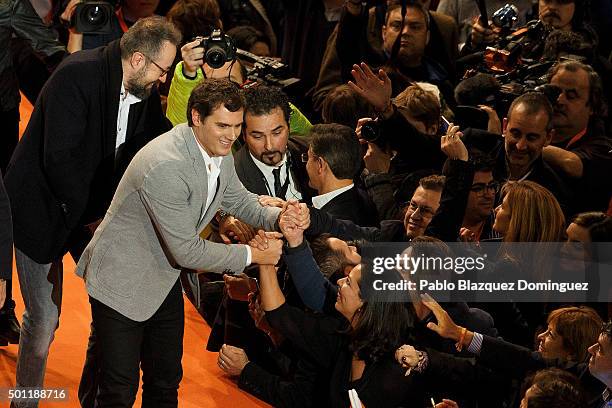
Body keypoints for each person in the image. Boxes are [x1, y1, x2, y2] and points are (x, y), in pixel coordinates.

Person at [75, 78, 285, 406]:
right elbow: (187, 250)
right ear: (197, 118)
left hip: (162, 279)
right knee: (119, 388)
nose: (232, 135)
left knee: (166, 378)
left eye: (237, 126)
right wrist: (253, 254)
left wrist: (277, 217)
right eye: (223, 125)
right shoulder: (166, 166)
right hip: (120, 281)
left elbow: (237, 199)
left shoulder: (218, 150)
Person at [4, 17, 180, 406]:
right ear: (137, 59)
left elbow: (163, 139)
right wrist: (99, 219)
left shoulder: (142, 88)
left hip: (91, 212)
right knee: (44, 319)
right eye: (163, 70)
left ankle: (94, 398)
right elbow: (59, 160)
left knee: (112, 305)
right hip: (42, 209)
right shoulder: (77, 75)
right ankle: (24, 402)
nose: (162, 81)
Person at [542, 61, 612, 213]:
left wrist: (520, 142)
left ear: (592, 106)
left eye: (571, 96)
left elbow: (570, 163)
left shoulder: (603, 147)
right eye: (554, 92)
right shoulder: (532, 132)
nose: (560, 100)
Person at [234, 85, 315, 202]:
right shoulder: (231, 177)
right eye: (258, 136)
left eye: (277, 133)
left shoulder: (312, 152)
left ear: (289, 127)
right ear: (243, 135)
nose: (269, 146)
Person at [304, 123, 377, 226]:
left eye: (307, 158)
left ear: (320, 164)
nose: (306, 164)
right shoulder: (366, 199)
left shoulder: (326, 226)